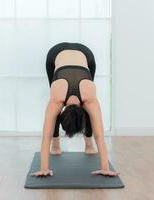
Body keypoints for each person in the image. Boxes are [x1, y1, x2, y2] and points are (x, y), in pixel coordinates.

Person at [31, 42, 119, 177]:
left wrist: (44, 168)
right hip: (68, 53)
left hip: (80, 54)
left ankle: (85, 145)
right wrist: (105, 168)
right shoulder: (88, 98)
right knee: (92, 116)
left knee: (52, 116)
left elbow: (45, 136)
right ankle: (59, 145)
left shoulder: (57, 99)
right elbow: (100, 136)